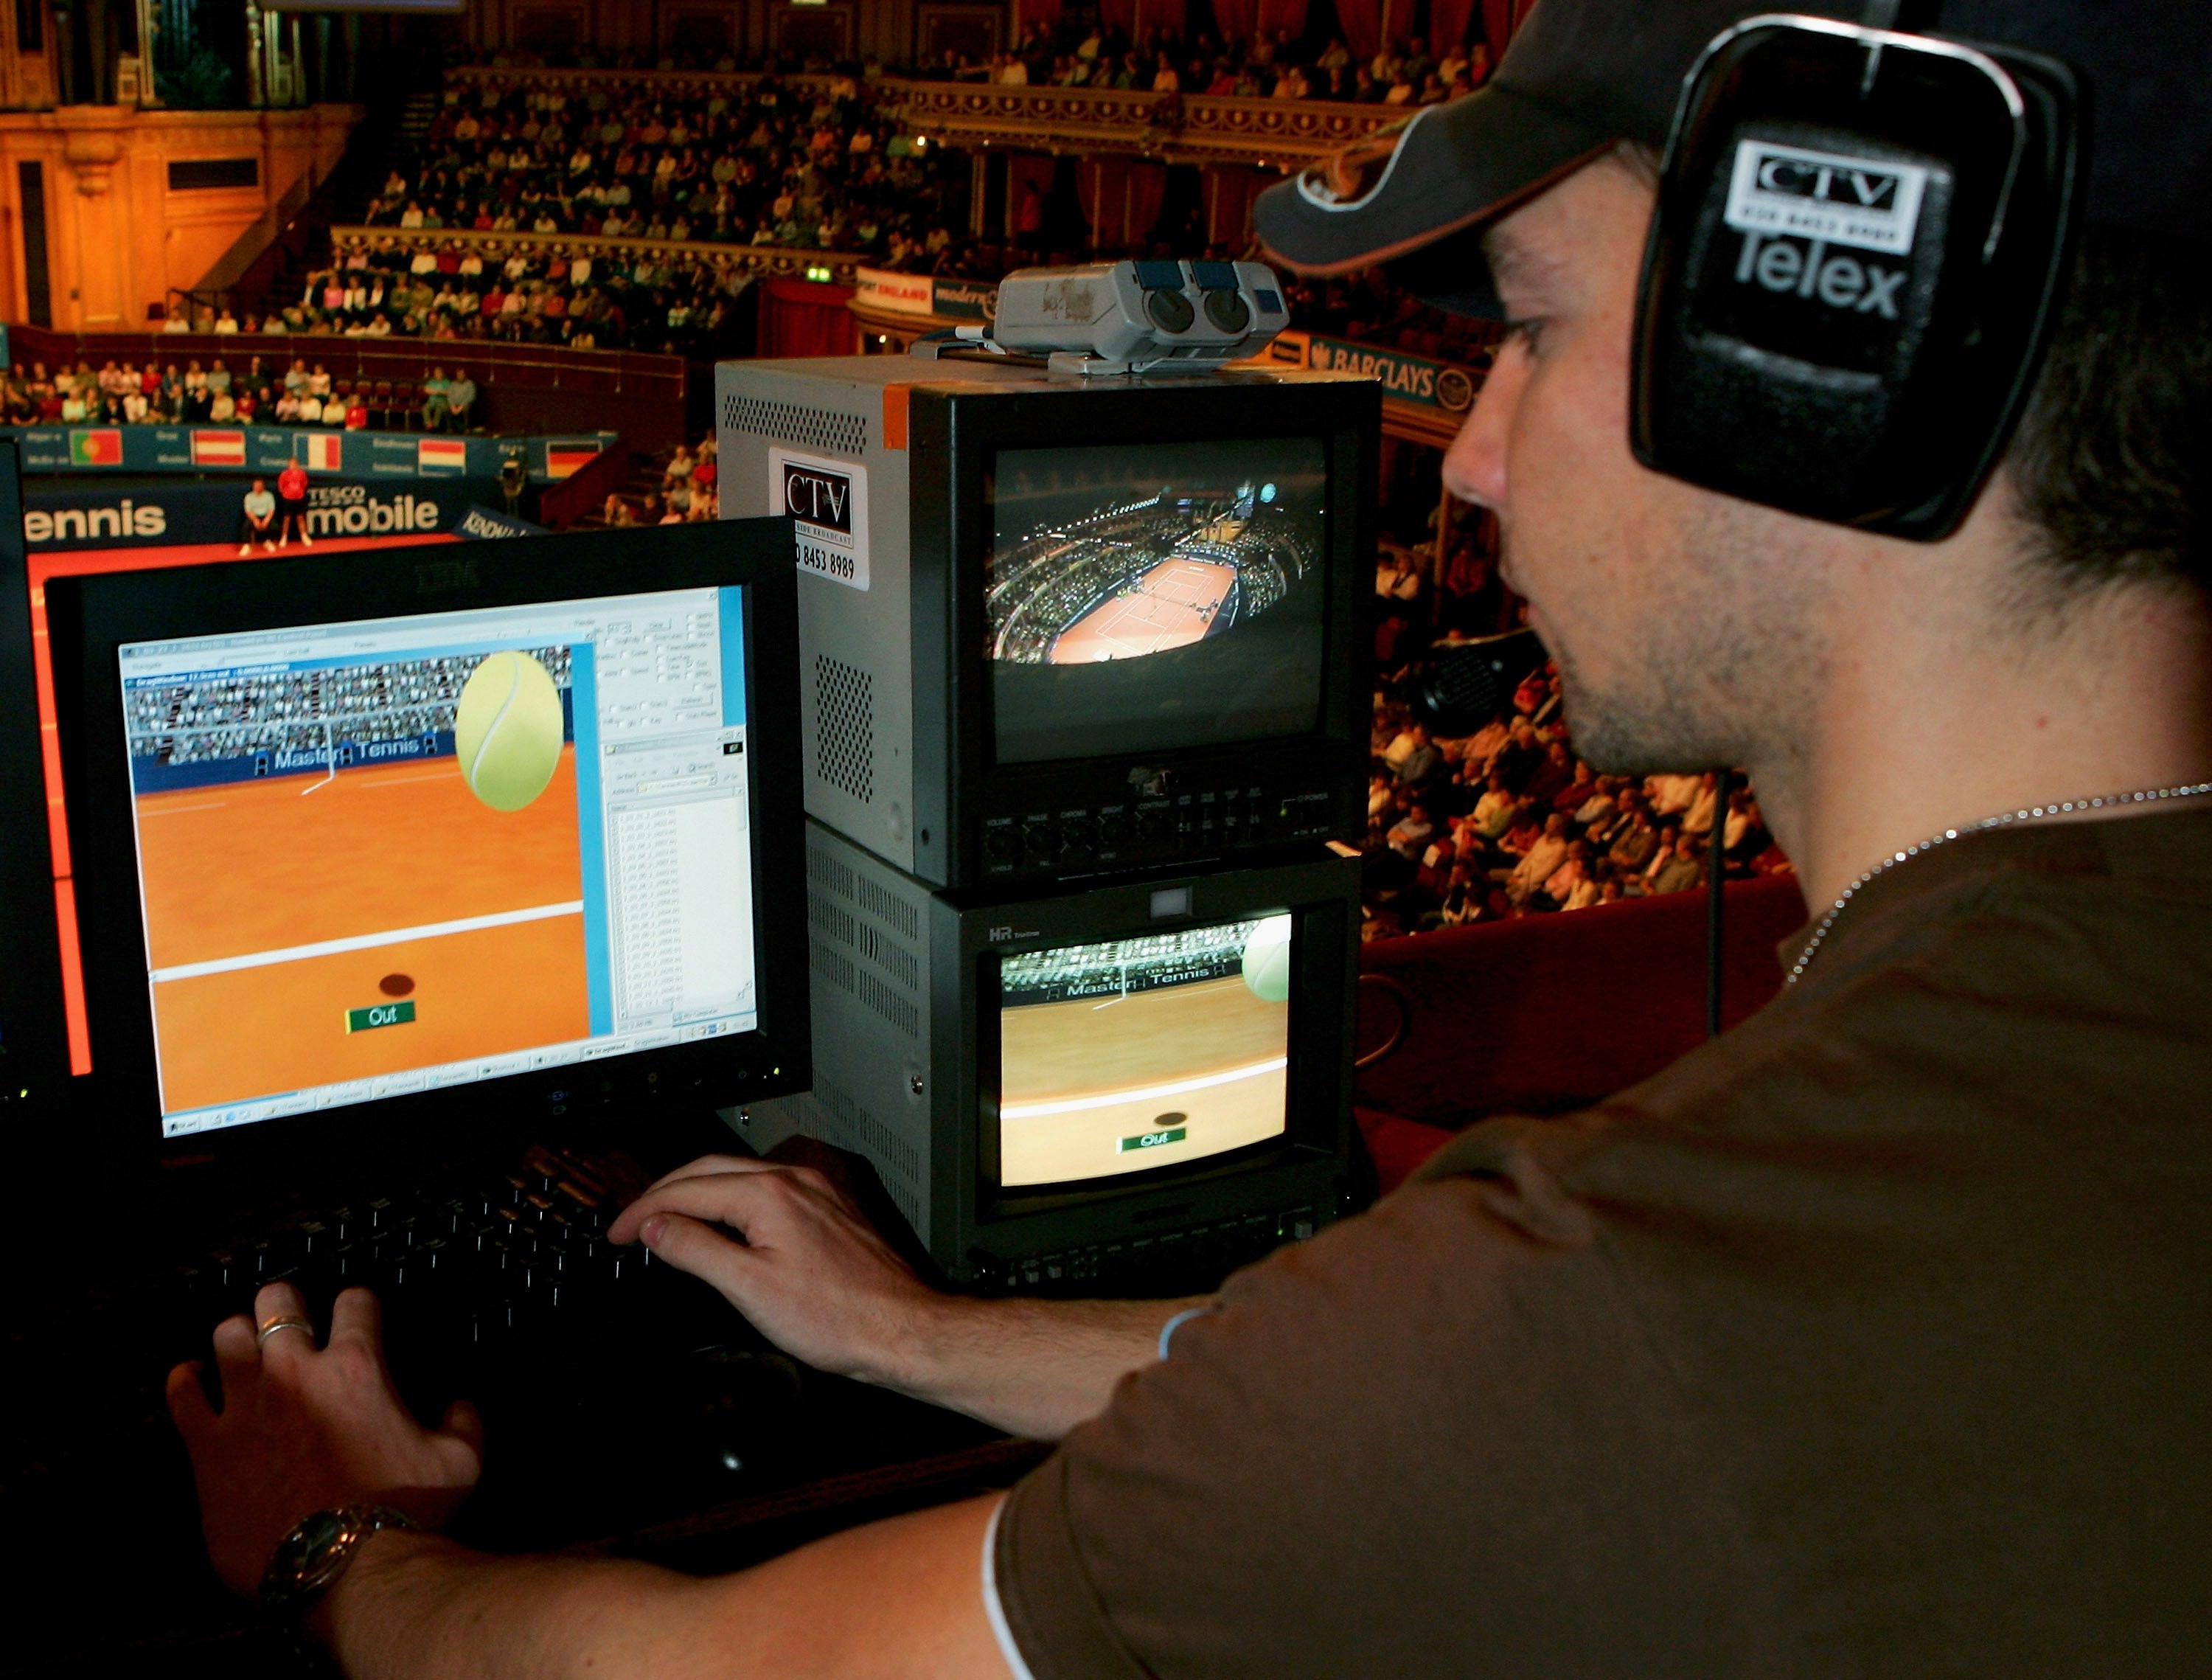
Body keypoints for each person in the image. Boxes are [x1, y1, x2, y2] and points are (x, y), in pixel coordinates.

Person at [165, 2, 2212, 1674]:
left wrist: (338, 1539)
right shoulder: (2013, 1091)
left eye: (1531, 319)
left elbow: (721, 1670)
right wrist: (926, 1333)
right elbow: (1412, 1385)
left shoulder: (1635, 1295)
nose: (1475, 455)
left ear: (1821, 360)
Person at [274, 459, 312, 548]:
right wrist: (287, 493)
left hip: (299, 499)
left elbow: (304, 484)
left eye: (294, 464)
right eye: (291, 464)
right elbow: (280, 487)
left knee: (300, 518)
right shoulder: (284, 474)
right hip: (288, 499)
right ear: (288, 465)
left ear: (297, 465)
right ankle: (284, 538)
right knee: (287, 519)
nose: (292, 466)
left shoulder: (302, 474)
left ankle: (304, 536)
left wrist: (298, 492)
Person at [237, 479, 276, 555]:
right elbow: (248, 511)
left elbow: (271, 510)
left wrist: (266, 520)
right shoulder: (249, 496)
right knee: (246, 526)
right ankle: (247, 545)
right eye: (255, 485)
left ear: (263, 486)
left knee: (275, 526)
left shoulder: (269, 496)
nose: (257, 487)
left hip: (265, 516)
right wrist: (255, 520)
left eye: (259, 485)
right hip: (253, 517)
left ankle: (268, 542)